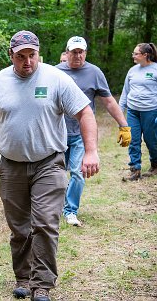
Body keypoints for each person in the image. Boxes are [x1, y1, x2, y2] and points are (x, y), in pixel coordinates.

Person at [0, 30, 100, 301]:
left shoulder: (57, 79)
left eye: (31, 55)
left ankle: (42, 284)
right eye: (20, 56)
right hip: (11, 165)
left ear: (39, 53)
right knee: (19, 227)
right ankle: (23, 278)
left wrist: (91, 151)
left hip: (49, 162)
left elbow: (84, 112)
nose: (27, 62)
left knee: (45, 222)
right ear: (10, 55)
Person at [56, 36, 130, 226]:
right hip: (57, 133)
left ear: (85, 53)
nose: (78, 55)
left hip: (82, 134)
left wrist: (123, 125)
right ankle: (52, 208)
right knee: (55, 174)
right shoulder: (55, 72)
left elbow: (109, 101)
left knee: (79, 172)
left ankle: (70, 210)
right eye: (74, 52)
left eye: (81, 52)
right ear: (67, 52)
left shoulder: (94, 72)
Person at [119, 42, 157, 181]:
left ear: (145, 55)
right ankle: (135, 169)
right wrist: (119, 110)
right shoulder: (132, 70)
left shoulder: (155, 69)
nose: (133, 56)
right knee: (133, 140)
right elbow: (125, 92)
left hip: (151, 111)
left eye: (136, 54)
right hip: (133, 111)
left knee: (151, 140)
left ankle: (155, 164)